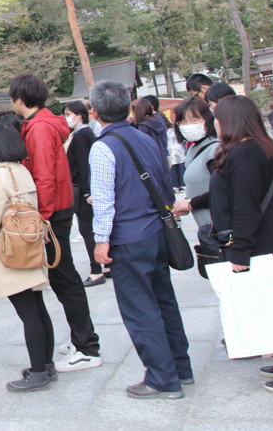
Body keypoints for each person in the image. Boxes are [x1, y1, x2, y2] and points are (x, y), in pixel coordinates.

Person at [88, 80, 193, 399]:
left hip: (128, 236)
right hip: (156, 230)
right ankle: (180, 367)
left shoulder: (103, 147)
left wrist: (100, 239)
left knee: (139, 307)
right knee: (164, 300)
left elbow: (105, 199)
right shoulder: (146, 136)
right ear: (129, 105)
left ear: (94, 112)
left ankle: (162, 378)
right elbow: (163, 178)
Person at [9, 73, 102, 372]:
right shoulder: (48, 123)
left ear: (20, 99)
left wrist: (42, 221)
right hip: (60, 208)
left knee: (65, 279)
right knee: (65, 278)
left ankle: (87, 346)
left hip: (52, 212)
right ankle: (81, 339)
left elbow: (43, 177)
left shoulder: (37, 128)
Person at [205, 96, 273, 393]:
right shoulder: (259, 148)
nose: (215, 122)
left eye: (217, 116)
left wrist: (240, 251)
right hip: (270, 234)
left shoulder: (245, 154)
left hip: (264, 238)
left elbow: (246, 206)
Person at [0, 123, 56, 392]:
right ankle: (46, 364)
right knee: (37, 307)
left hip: (12, 247)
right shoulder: (22, 170)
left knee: (28, 313)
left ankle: (38, 371)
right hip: (31, 243)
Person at [63, 101, 103, 287]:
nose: (67, 117)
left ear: (78, 115)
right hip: (84, 187)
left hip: (82, 188)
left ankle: (96, 270)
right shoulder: (83, 133)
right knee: (92, 228)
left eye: (68, 114)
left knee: (87, 230)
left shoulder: (81, 135)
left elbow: (84, 164)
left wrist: (87, 191)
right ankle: (105, 266)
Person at [172, 98, 219, 228]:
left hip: (221, 229)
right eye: (182, 122)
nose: (188, 126)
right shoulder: (193, 150)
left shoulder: (215, 149)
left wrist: (191, 203)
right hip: (207, 227)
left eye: (194, 120)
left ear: (207, 120)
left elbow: (223, 190)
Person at [134, 97, 169, 168]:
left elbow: (143, 148)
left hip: (152, 162)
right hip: (163, 157)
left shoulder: (143, 126)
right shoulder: (159, 119)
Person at [166, 119, 187, 192]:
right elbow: (183, 139)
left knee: (173, 169)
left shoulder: (167, 131)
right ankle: (182, 185)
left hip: (171, 150)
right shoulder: (176, 129)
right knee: (181, 168)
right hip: (179, 149)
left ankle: (175, 185)